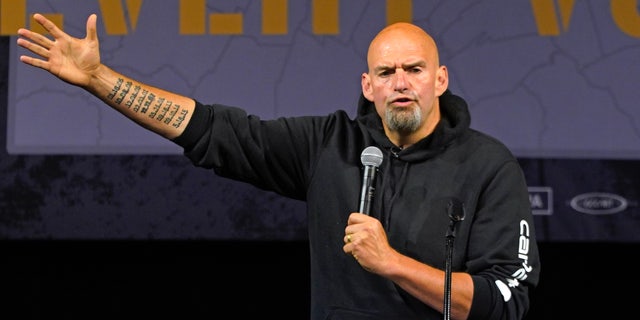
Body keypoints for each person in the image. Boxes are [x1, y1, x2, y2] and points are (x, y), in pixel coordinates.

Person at [16, 13, 540, 320]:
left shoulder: (488, 166)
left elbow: (507, 298)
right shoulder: (329, 145)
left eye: (414, 69)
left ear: (440, 80)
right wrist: (100, 79)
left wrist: (392, 263)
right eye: (387, 71)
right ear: (369, 86)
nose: (401, 81)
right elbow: (214, 131)